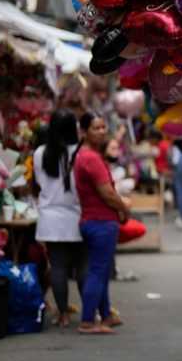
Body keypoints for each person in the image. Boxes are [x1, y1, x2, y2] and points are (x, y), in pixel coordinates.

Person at [73, 113, 132, 335]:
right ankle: (88, 320)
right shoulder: (91, 158)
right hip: (100, 222)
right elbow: (107, 193)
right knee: (98, 271)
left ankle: (105, 314)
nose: (101, 131)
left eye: (103, 127)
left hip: (95, 221)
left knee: (102, 269)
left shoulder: (86, 156)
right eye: (96, 128)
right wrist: (124, 209)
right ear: (85, 131)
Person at [33, 110, 85, 328]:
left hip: (50, 216)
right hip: (77, 215)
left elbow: (38, 183)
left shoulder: (40, 153)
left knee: (58, 267)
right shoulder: (81, 153)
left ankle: (63, 314)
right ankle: (89, 311)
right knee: (83, 266)